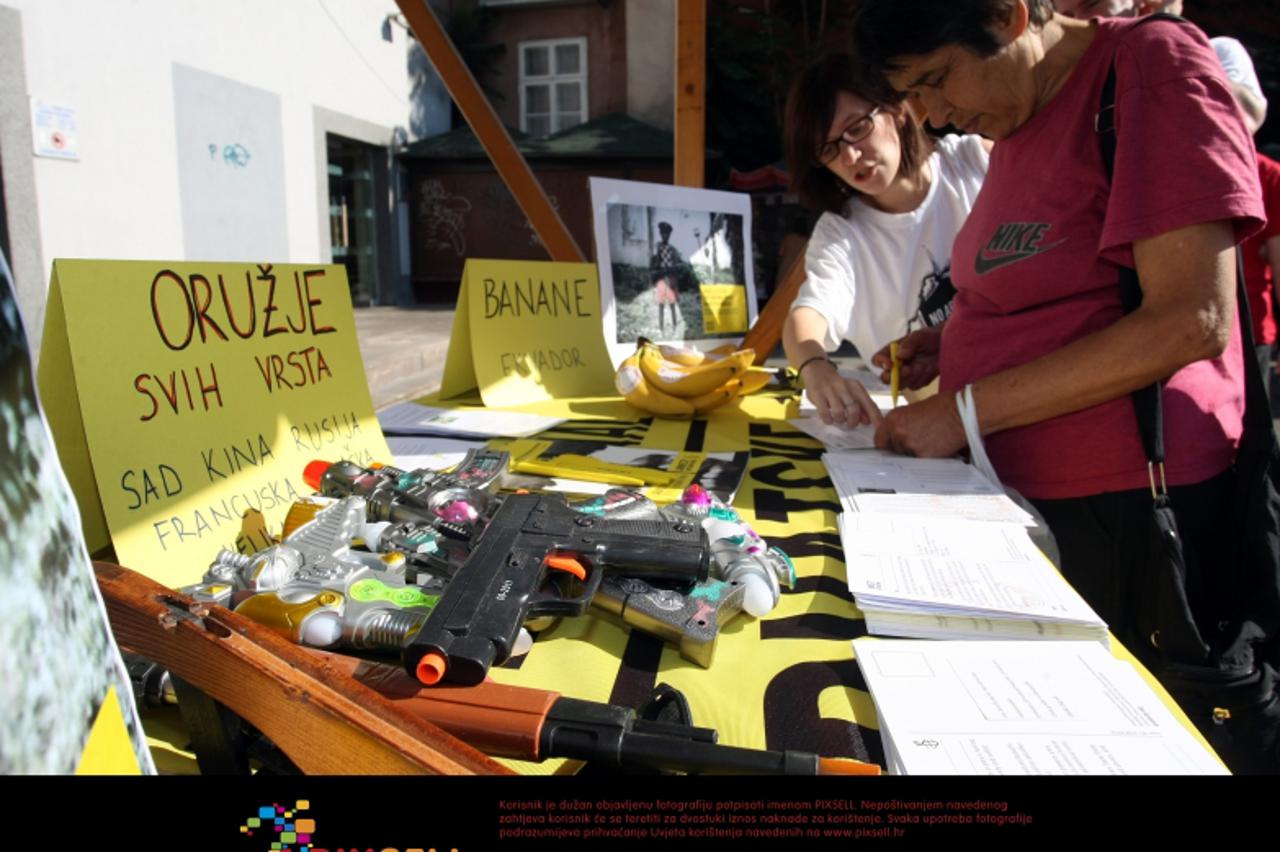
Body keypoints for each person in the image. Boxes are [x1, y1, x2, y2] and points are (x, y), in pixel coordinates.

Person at [851, 0, 1263, 641]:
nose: (935, 118)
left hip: (1125, 513)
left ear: (1007, 17)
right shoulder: (1015, 115)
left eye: (935, 79)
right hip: (1027, 494)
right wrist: (959, 337)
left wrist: (961, 411)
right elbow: (1057, 280)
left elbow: (1191, 318)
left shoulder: (1151, 67)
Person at [781, 53, 992, 428]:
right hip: (943, 435)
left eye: (857, 128)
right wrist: (817, 371)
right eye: (828, 149)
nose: (850, 155)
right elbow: (808, 315)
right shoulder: (842, 233)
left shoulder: (975, 162)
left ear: (895, 106)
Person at [1057, 0, 1269, 134]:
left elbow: (1243, 116)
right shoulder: (1064, 82)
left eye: (1090, 4)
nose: (1077, 22)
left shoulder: (1220, 51)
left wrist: (1165, 33)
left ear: (1146, 5)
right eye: (1065, 17)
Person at [650, 221, 684, 335]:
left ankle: (674, 327)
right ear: (660, 234)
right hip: (661, 278)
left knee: (672, 304)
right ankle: (661, 328)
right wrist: (657, 272)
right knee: (660, 304)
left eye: (667, 234)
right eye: (663, 233)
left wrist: (673, 273)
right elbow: (656, 263)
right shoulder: (658, 247)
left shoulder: (672, 249)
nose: (665, 235)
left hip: (671, 278)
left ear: (670, 235)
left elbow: (677, 263)